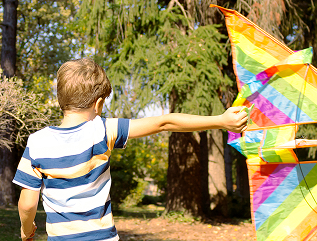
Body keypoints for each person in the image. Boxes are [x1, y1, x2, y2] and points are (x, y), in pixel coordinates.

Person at [13, 58, 249, 241]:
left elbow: (27, 204)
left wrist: (27, 230)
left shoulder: (37, 142)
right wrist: (220, 120)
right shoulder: (102, 130)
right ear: (98, 104)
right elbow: (163, 123)